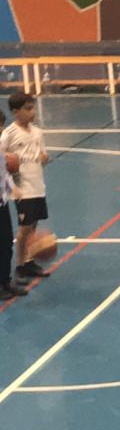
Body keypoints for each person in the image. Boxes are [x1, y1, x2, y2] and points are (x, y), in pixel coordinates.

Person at [1, 93, 50, 281]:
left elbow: (42, 154)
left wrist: (44, 158)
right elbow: (2, 158)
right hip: (22, 187)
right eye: (28, 109)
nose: (33, 112)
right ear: (15, 112)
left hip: (38, 184)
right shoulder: (9, 134)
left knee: (33, 224)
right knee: (24, 227)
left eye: (33, 108)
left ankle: (28, 261)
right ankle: (20, 265)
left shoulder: (37, 132)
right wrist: (10, 177)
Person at [0, 110, 26, 300]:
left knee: (6, 242)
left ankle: (5, 281)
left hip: (2, 204)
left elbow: (4, 175)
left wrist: (12, 189)